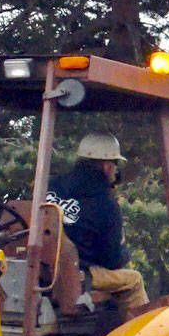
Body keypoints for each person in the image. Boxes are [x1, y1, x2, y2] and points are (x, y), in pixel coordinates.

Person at [46, 132, 149, 314]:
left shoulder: (52, 185)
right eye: (115, 165)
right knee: (134, 280)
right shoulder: (106, 202)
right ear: (107, 166)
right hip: (79, 273)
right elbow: (110, 260)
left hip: (41, 267)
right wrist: (124, 254)